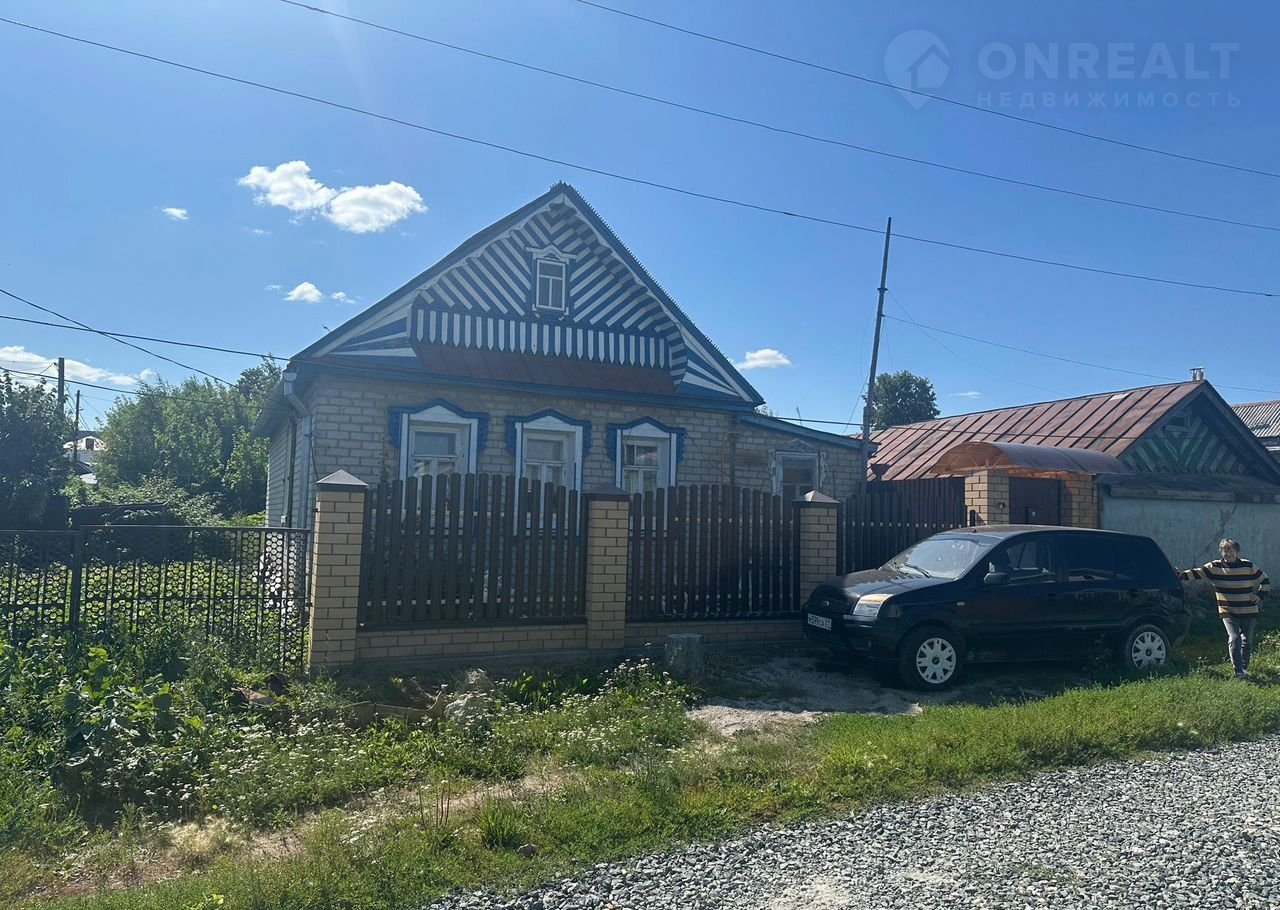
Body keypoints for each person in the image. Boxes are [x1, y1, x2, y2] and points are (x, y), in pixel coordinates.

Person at [1176, 539, 1270, 679]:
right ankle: (1238, 671)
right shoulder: (1214, 567)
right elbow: (1197, 573)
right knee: (1234, 638)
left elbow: (1265, 580)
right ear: (1221, 551)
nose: (1228, 553)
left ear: (1237, 552)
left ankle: (1244, 668)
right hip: (1228, 610)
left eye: (1231, 550)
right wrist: (1180, 575)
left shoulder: (1248, 565)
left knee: (1247, 641)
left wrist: (1259, 596)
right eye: (1225, 550)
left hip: (1248, 609)